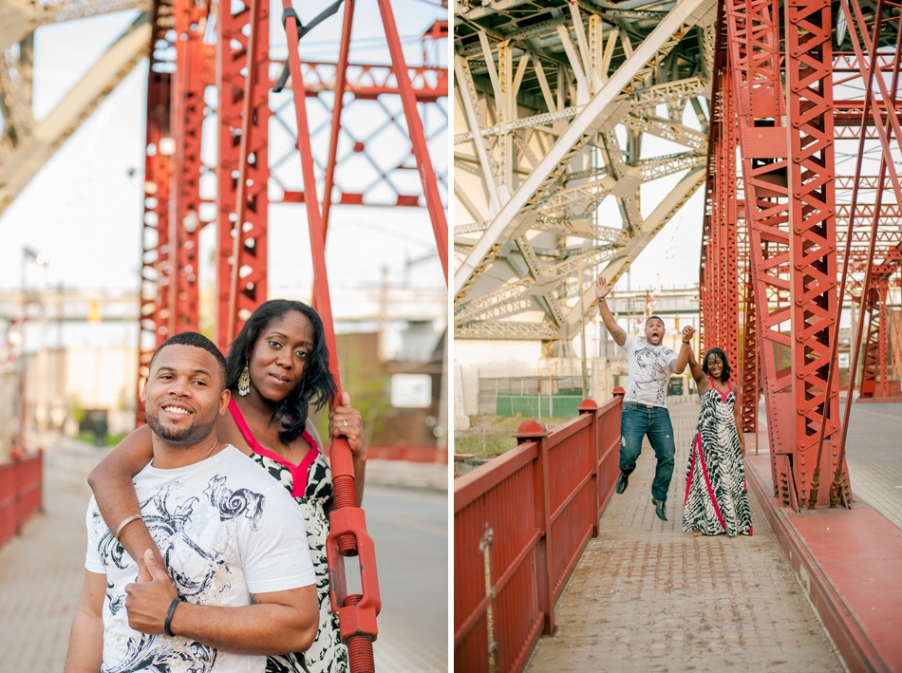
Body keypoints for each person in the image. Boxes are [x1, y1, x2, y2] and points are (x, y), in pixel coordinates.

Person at [88, 300, 367, 673]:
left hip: (316, 611)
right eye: (276, 343)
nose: (286, 360)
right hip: (256, 615)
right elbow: (107, 475)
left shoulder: (303, 428)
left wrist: (357, 457)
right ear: (251, 345)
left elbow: (335, 520)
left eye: (301, 353)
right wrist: (149, 561)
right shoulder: (210, 413)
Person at [595, 275, 690, 521]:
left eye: (659, 325)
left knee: (668, 456)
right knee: (629, 454)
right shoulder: (634, 344)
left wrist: (686, 343)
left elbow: (679, 368)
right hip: (634, 409)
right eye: (651, 325)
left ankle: (659, 497)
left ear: (663, 331)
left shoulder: (669, 352)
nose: (655, 328)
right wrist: (602, 300)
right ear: (645, 330)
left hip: (659, 412)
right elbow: (614, 328)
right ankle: (625, 472)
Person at [681, 339, 753, 537]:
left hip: (728, 441)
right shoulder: (704, 381)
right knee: (706, 482)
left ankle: (732, 522)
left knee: (730, 481)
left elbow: (736, 414)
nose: (714, 366)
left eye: (718, 362)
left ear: (724, 363)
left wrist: (741, 440)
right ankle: (703, 524)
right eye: (711, 363)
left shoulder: (733, 386)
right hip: (707, 441)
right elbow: (693, 363)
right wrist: (687, 341)